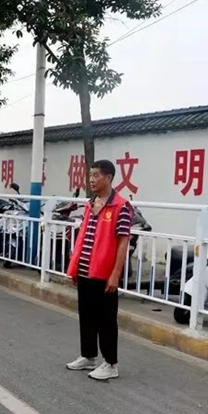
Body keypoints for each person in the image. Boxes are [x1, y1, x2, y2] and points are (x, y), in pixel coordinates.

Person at [66, 160, 132, 381]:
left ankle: (111, 364)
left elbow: (123, 242)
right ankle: (88, 356)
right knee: (86, 316)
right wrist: (75, 266)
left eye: (96, 175)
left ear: (108, 177)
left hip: (104, 274)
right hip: (86, 269)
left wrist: (115, 274)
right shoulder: (89, 204)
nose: (91, 180)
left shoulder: (121, 206)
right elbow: (83, 236)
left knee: (106, 320)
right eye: (90, 175)